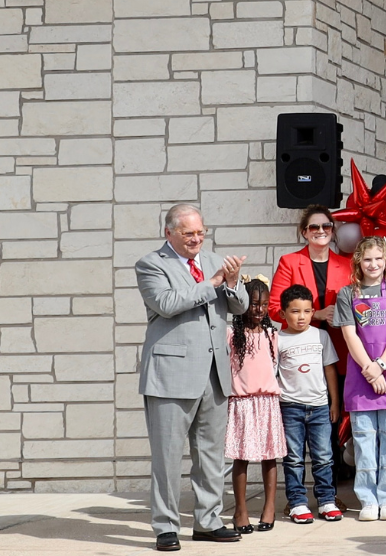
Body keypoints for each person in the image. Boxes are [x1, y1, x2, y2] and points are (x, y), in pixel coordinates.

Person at [136, 204, 252, 551]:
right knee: (168, 457)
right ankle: (166, 527)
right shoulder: (151, 264)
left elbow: (240, 307)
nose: (197, 239)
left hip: (213, 373)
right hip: (171, 374)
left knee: (211, 457)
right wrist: (213, 283)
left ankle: (207, 521)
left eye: (201, 232)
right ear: (168, 232)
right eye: (189, 233)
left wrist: (232, 284)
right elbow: (167, 303)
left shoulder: (216, 261)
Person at [331, 236, 386, 522]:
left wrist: (380, 365)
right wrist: (369, 368)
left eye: (379, 259)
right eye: (367, 259)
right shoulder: (347, 294)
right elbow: (349, 333)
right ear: (358, 262)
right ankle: (368, 499)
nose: (373, 264)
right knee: (364, 441)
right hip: (361, 375)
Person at [273, 285, 339, 524]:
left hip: (320, 407)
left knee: (323, 457)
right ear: (282, 314)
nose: (301, 317)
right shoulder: (277, 339)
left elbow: (329, 369)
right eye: (295, 311)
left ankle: (326, 500)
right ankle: (297, 503)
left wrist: (335, 403)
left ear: (313, 312)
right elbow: (272, 374)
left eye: (307, 311)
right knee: (293, 458)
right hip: (290, 407)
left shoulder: (321, 336)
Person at [224, 279, 284, 533]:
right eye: (253, 304)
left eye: (263, 305)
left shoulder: (272, 335)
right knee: (242, 458)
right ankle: (241, 511)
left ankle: (269, 508)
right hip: (242, 403)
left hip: (268, 403)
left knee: (270, 457)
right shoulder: (231, 335)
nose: (259, 310)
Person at [269, 207, 353, 326]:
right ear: (305, 232)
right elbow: (275, 309)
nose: (321, 230)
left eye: (326, 226)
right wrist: (315, 314)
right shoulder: (289, 262)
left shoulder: (347, 265)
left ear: (332, 230)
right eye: (314, 227)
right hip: (301, 339)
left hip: (338, 340)